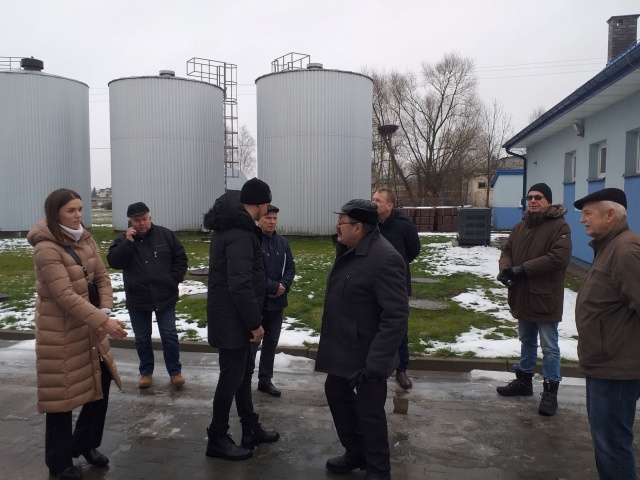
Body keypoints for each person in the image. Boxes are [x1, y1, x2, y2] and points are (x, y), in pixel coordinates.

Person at [27, 188, 128, 480]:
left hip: (90, 324)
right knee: (61, 396)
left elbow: (102, 277)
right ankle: (58, 463)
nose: (77, 215)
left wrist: (104, 310)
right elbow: (64, 295)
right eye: (70, 210)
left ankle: (84, 443)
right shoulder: (46, 247)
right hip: (60, 331)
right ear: (55, 213)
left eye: (80, 209)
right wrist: (102, 321)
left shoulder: (85, 237)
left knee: (100, 381)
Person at [315, 199, 409, 480]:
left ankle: (379, 470)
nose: (337, 226)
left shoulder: (385, 257)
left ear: (358, 228)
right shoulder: (351, 249)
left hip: (368, 356)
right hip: (344, 349)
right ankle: (356, 452)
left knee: (370, 413)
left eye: (342, 222)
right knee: (337, 394)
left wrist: (376, 365)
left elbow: (396, 315)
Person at [202, 177, 280, 461]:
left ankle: (250, 428)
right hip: (233, 321)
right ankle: (217, 437)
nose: (268, 209)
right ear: (261, 203)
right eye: (267, 203)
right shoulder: (240, 233)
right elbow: (240, 284)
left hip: (235, 318)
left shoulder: (236, 227)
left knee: (243, 374)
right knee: (231, 378)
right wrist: (254, 324)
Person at [573, 188, 640, 480]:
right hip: (604, 363)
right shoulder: (609, 246)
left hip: (618, 367)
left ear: (610, 214)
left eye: (588, 213)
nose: (582, 220)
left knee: (612, 444)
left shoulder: (626, 251)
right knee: (606, 442)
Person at [495, 183, 571, 416]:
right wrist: (506, 268)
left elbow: (558, 258)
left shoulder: (559, 226)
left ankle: (550, 391)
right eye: (530, 198)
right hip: (522, 294)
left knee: (549, 347)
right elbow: (507, 250)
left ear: (548, 201)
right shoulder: (520, 227)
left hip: (545, 297)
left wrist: (523, 269)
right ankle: (524, 381)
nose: (533, 201)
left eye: (538, 197)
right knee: (526, 340)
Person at [107, 202, 188, 390]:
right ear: (130, 222)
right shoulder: (123, 240)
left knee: (169, 335)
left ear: (150, 218)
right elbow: (115, 262)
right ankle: (146, 373)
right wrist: (127, 243)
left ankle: (175, 372)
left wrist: (172, 280)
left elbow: (181, 259)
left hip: (165, 296)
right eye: (137, 220)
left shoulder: (165, 235)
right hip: (138, 298)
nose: (142, 223)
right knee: (142, 338)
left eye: (144, 219)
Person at [372, 187, 421, 389]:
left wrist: (397, 267)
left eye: (378, 200)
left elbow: (414, 250)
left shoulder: (404, 225)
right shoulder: (370, 223)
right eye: (373, 199)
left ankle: (401, 369)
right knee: (372, 324)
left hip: (397, 284)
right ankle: (375, 367)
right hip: (372, 283)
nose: (373, 203)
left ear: (390, 205)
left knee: (399, 327)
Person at [256, 204, 296, 397]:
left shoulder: (282, 242)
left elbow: (290, 267)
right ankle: (244, 379)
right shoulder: (253, 242)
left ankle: (265, 379)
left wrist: (283, 286)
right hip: (258, 302)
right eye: (268, 218)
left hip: (277, 302)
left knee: (271, 342)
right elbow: (253, 273)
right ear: (259, 219)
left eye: (274, 219)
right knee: (252, 343)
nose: (272, 222)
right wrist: (271, 287)